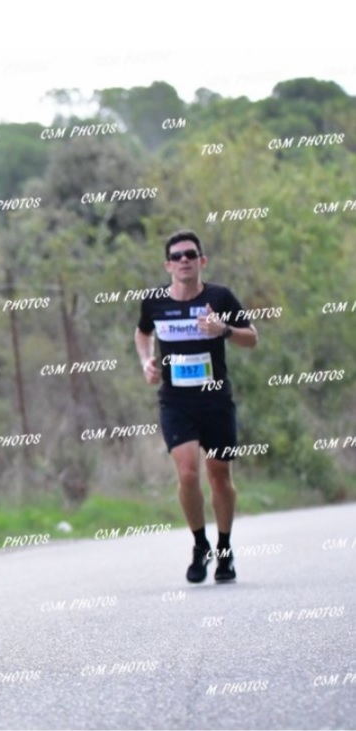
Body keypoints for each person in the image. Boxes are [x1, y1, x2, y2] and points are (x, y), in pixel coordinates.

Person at [134, 230, 258, 584]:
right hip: (176, 402)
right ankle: (199, 544)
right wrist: (146, 361)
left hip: (216, 400)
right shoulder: (155, 301)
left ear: (202, 261)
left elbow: (252, 337)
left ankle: (224, 549)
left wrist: (223, 330)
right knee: (188, 472)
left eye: (190, 254)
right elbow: (143, 333)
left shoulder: (220, 296)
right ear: (168, 265)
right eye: (176, 256)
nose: (183, 260)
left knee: (219, 475)